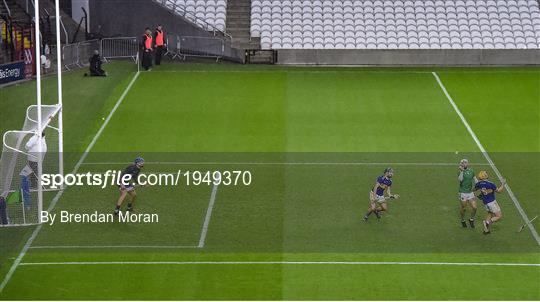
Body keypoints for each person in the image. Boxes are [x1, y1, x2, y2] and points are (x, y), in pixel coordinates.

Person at [458, 159, 478, 228]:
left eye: (466, 162)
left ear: (468, 164)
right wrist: (462, 171)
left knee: (475, 207)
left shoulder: (471, 171)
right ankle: (462, 219)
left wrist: (478, 186)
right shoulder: (460, 172)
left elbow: (475, 180)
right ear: (461, 164)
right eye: (463, 163)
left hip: (470, 193)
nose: (464, 164)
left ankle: (471, 219)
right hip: (463, 193)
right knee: (464, 208)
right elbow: (460, 179)